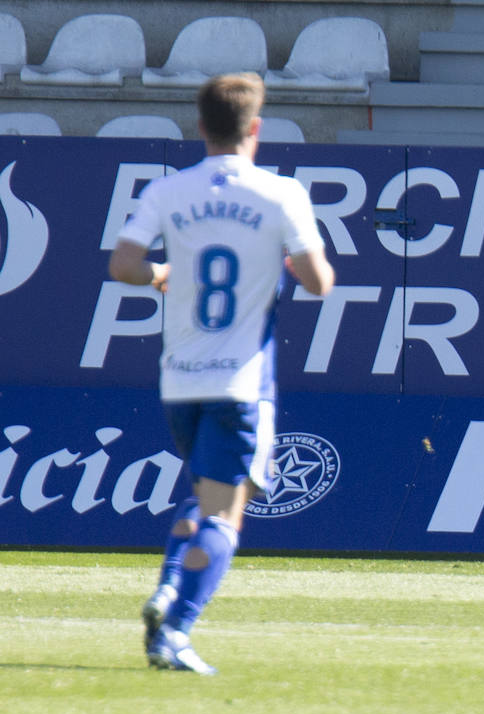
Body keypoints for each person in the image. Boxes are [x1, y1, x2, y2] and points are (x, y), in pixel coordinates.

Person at [109, 72, 335, 674]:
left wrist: (159, 274)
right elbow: (318, 281)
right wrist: (281, 251)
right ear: (255, 128)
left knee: (206, 494)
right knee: (225, 514)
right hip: (241, 381)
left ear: (200, 126)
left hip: (180, 378)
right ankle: (176, 628)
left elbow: (123, 264)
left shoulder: (168, 191)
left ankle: (168, 589)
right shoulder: (281, 194)